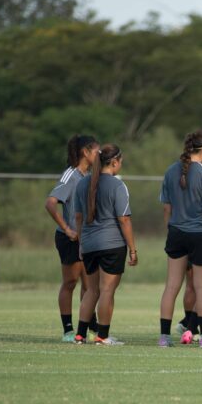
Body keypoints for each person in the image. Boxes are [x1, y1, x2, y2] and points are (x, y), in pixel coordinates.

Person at [158, 130, 202, 348]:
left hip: (176, 233)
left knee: (171, 286)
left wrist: (171, 230)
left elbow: (167, 207)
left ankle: (164, 337)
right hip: (201, 236)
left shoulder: (169, 171)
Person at [73, 144, 137, 345]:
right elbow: (124, 220)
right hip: (112, 245)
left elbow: (78, 217)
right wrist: (133, 250)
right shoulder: (118, 185)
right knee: (107, 290)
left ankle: (80, 335)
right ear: (115, 162)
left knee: (91, 291)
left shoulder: (82, 183)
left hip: (90, 244)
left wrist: (82, 244)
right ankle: (102, 336)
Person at [44, 135, 99, 342]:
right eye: (96, 152)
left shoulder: (90, 175)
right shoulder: (70, 175)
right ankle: (68, 330)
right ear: (86, 152)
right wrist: (67, 229)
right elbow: (50, 203)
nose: (99, 156)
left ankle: (89, 329)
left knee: (90, 285)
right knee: (70, 282)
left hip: (87, 238)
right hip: (70, 239)